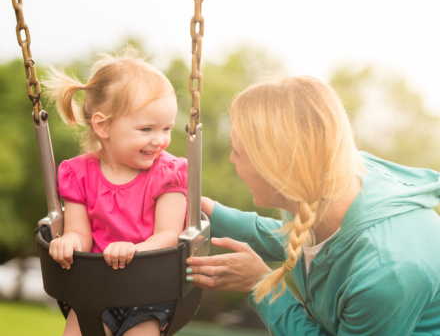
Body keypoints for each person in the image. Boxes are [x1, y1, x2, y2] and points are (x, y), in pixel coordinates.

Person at [185, 76, 440, 335]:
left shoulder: (386, 273)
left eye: (237, 152)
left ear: (275, 167)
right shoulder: (324, 178)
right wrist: (209, 213)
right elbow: (305, 242)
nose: (230, 158)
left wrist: (262, 286)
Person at [43, 47, 187, 336]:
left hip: (149, 294)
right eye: (146, 129)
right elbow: (80, 233)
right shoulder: (78, 174)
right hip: (96, 290)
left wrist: (134, 249)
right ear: (103, 125)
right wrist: (68, 241)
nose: (160, 140)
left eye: (167, 128)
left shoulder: (168, 173)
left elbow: (169, 235)